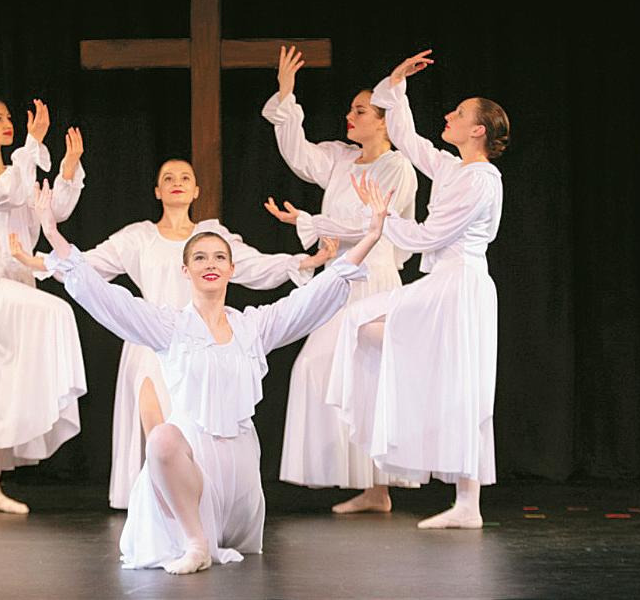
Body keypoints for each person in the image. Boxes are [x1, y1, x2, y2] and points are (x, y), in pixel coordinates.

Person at [25, 176, 391, 574]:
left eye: (219, 257)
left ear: (232, 268)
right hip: (192, 464)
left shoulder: (254, 327)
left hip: (239, 474)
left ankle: (215, 531)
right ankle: (195, 542)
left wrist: (371, 236)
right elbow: (104, 296)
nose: (210, 264)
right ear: (186, 270)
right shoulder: (170, 327)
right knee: (162, 438)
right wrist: (52, 233)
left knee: (209, 483)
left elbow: (312, 298)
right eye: (200, 258)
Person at [16, 157, 324, 509]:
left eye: (185, 177)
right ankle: (159, 497)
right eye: (168, 178)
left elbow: (254, 264)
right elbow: (87, 266)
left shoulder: (210, 239)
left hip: (198, 342)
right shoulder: (139, 238)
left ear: (196, 190)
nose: (177, 182)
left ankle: (194, 495)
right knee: (156, 420)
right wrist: (36, 260)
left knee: (193, 420)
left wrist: (305, 262)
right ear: (157, 191)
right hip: (150, 336)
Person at [329, 49, 509, 529]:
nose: (449, 116)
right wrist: (395, 85)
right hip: (445, 282)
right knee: (362, 324)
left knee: (464, 387)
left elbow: (431, 236)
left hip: (461, 285)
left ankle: (468, 504)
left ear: (478, 130)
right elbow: (409, 140)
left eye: (459, 114)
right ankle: (460, 496)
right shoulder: (456, 170)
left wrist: (381, 220)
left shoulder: (481, 182)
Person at [261, 45, 419, 512]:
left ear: (384, 122)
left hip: (375, 278)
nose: (350, 116)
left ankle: (378, 487)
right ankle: (365, 483)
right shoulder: (340, 158)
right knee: (316, 367)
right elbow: (298, 154)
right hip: (340, 280)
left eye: (361, 111)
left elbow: (372, 226)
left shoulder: (397, 167)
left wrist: (309, 222)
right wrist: (286, 94)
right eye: (351, 109)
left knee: (372, 378)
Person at [0, 97, 87, 514]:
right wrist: (31, 146)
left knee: (6, 381)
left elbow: (51, 213)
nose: (7, 124)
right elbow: (3, 194)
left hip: (19, 277)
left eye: (8, 118)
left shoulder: (18, 172)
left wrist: (68, 167)